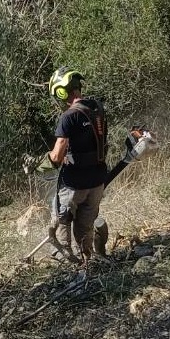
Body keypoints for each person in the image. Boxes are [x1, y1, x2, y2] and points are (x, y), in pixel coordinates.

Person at [47, 67, 108, 262]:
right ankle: (86, 260)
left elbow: (57, 155)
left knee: (62, 218)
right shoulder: (97, 108)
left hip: (74, 184)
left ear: (61, 92)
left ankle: (65, 261)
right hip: (97, 181)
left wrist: (41, 162)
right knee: (85, 225)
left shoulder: (68, 116)